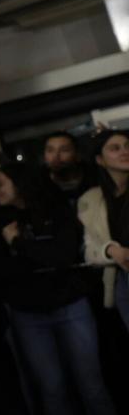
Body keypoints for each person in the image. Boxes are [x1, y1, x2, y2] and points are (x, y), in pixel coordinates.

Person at [0, 162, 129, 415]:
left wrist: (20, 244)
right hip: (28, 315)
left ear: (20, 182)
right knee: (52, 392)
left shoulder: (56, 211)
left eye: (1, 180)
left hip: (70, 307)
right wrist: (34, 258)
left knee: (92, 388)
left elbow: (62, 256)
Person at [78, 129, 129, 331]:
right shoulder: (91, 199)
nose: (124, 152)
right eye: (115, 148)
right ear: (100, 160)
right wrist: (110, 250)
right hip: (122, 278)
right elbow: (88, 249)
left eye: (127, 146)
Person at [43, 131, 94, 208]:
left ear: (77, 155)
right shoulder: (38, 186)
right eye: (50, 150)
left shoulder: (95, 178)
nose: (56, 156)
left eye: (64, 150)